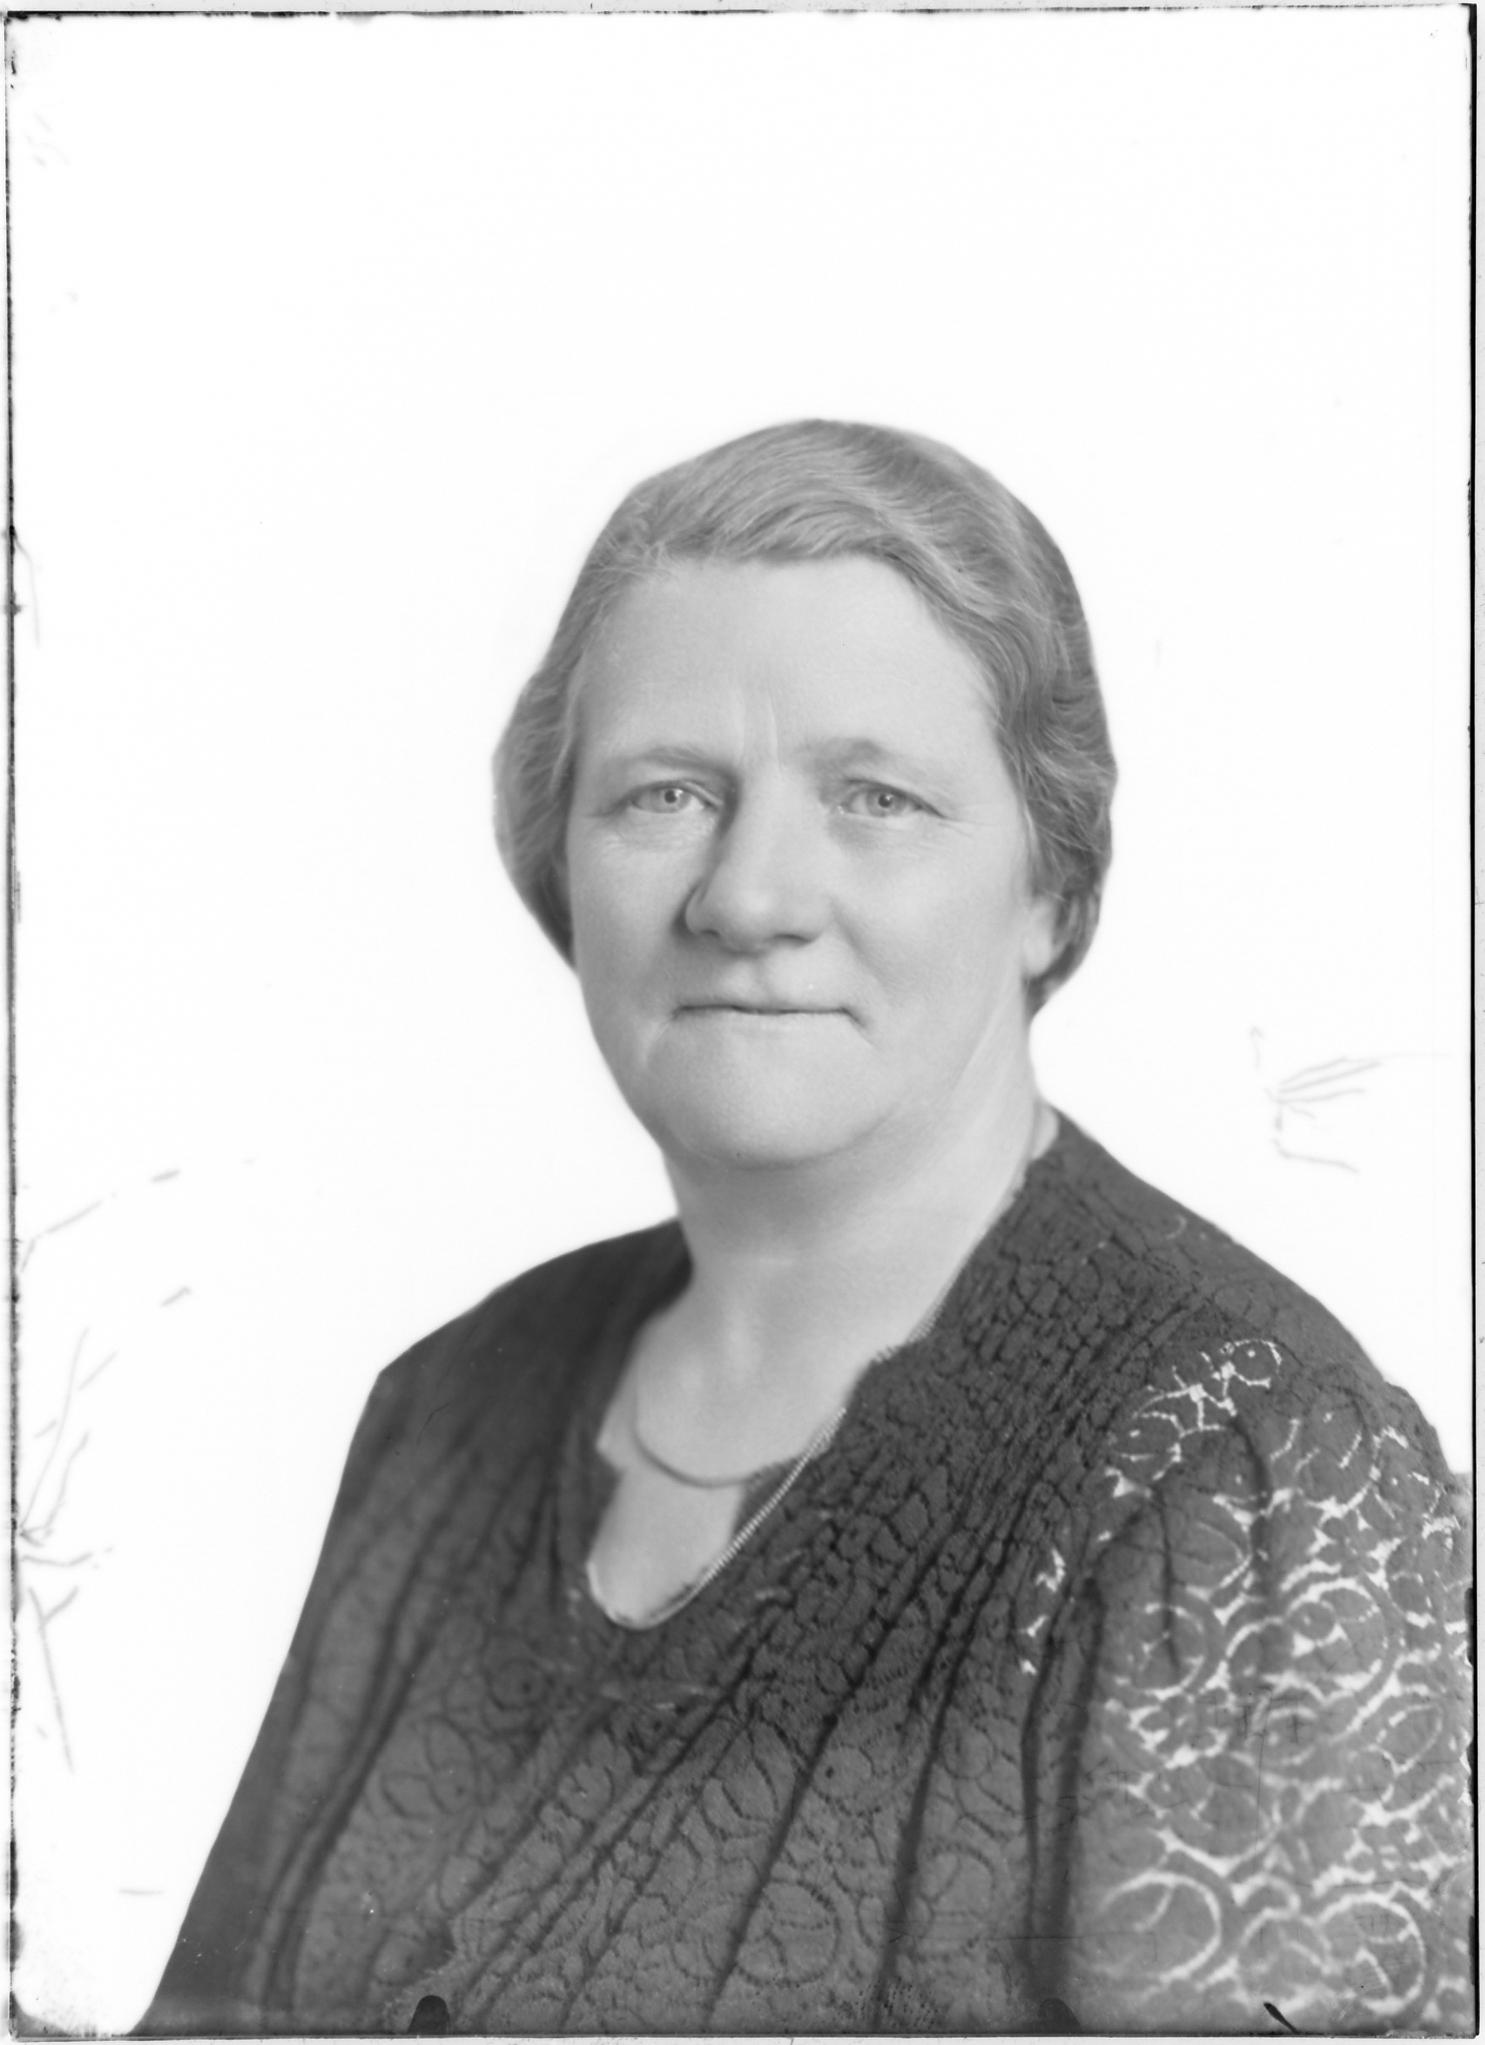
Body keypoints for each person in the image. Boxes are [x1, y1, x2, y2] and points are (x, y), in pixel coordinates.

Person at [141, 421, 1472, 2036]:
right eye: (665, 793)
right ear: (556, 865)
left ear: (1050, 886)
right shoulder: (445, 1408)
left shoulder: (1238, 1474)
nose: (747, 896)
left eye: (874, 797)